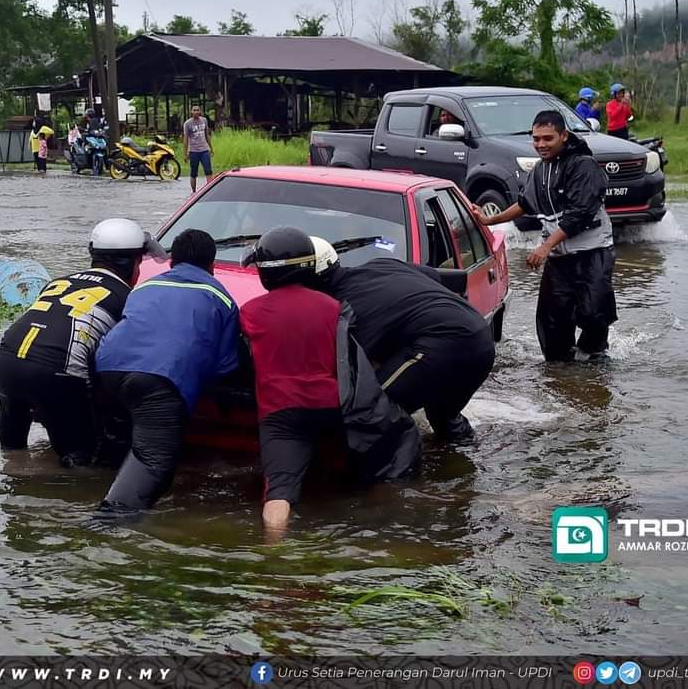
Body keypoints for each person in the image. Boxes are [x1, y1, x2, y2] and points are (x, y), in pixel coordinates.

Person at [240, 228, 420, 532]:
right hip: (332, 407)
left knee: (278, 493)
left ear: (266, 273)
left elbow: (241, 362)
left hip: (281, 414)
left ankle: (273, 553)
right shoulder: (334, 308)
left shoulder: (250, 311)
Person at [0, 218, 166, 467]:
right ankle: (74, 503)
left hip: (6, 360)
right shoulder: (128, 298)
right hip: (56, 370)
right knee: (81, 461)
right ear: (129, 263)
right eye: (139, 263)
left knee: (12, 454)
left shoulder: (58, 282)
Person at [94, 229, 239, 511]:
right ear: (212, 265)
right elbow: (225, 365)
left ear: (172, 262)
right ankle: (109, 523)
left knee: (125, 440)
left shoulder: (145, 286)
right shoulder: (220, 297)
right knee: (154, 462)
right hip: (159, 378)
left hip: (107, 367)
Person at [308, 239, 495, 444]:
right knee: (444, 418)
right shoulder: (383, 264)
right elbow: (435, 277)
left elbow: (348, 372)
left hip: (443, 345)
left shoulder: (346, 309)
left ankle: (402, 474)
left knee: (370, 413)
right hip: (481, 339)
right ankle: (468, 461)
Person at [478, 110, 617, 362]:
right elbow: (525, 203)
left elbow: (579, 215)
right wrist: (491, 219)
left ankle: (595, 360)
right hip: (559, 257)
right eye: (536, 139)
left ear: (564, 136)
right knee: (552, 320)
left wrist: (544, 247)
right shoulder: (540, 171)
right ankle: (560, 370)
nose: (541, 145)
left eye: (548, 138)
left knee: (594, 312)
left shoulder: (583, 166)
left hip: (592, 253)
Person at [183, 105, 213, 192]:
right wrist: (185, 154)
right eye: (194, 110)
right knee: (193, 173)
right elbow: (185, 140)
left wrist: (211, 147)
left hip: (204, 150)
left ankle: (210, 190)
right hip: (194, 151)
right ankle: (194, 192)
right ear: (191, 112)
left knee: (208, 170)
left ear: (200, 111)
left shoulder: (204, 120)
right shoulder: (187, 124)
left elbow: (207, 135)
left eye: (197, 110)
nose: (196, 112)